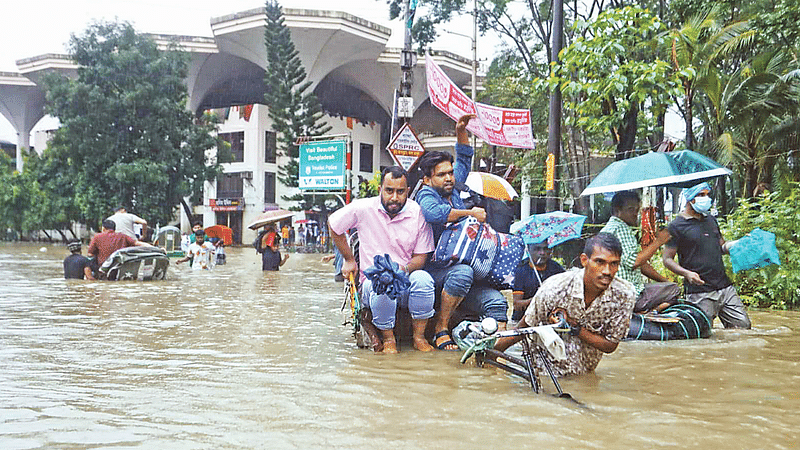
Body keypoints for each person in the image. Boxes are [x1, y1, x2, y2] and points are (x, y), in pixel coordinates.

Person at [416, 114, 507, 350]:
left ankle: (496, 349)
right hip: (434, 270)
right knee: (464, 273)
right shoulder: (426, 194)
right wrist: (469, 214)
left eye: (450, 173)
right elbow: (434, 214)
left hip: (462, 267)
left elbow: (465, 159)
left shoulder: (453, 188)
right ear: (427, 179)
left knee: (497, 301)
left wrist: (460, 131)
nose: (449, 177)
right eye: (441, 174)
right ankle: (440, 328)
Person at [494, 233, 636, 377]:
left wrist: (574, 327)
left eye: (614, 264)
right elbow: (524, 327)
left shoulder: (624, 295)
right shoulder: (555, 289)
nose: (607, 271)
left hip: (584, 374)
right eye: (599, 262)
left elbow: (610, 345)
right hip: (543, 372)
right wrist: (494, 352)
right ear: (584, 260)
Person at [329, 166, 436, 354]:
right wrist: (348, 259)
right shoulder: (363, 208)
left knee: (423, 279)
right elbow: (334, 225)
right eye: (389, 191)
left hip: (404, 279)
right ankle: (388, 339)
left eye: (400, 191)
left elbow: (421, 257)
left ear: (407, 192)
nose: (394, 197)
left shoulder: (417, 212)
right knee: (382, 283)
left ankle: (419, 337)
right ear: (381, 189)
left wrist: (403, 269)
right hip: (372, 285)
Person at [662, 182, 751, 328]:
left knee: (743, 327)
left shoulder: (710, 220)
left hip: (724, 286)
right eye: (701, 195)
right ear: (690, 198)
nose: (707, 198)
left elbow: (721, 246)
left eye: (708, 194)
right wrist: (687, 274)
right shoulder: (676, 226)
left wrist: (739, 244)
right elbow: (667, 259)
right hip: (699, 291)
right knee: (702, 334)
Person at [601, 191, 680, 313]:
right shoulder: (620, 229)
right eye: (630, 209)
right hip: (630, 294)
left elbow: (640, 264)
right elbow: (635, 261)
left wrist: (663, 280)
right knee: (674, 290)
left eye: (637, 210)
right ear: (617, 210)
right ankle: (649, 314)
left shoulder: (609, 228)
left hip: (617, 293)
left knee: (669, 286)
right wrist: (658, 241)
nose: (635, 214)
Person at [511, 242, 565, 323]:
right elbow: (517, 304)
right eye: (537, 249)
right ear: (528, 250)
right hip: (523, 320)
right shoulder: (521, 271)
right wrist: (536, 299)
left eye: (545, 249)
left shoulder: (556, 268)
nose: (542, 253)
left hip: (550, 320)